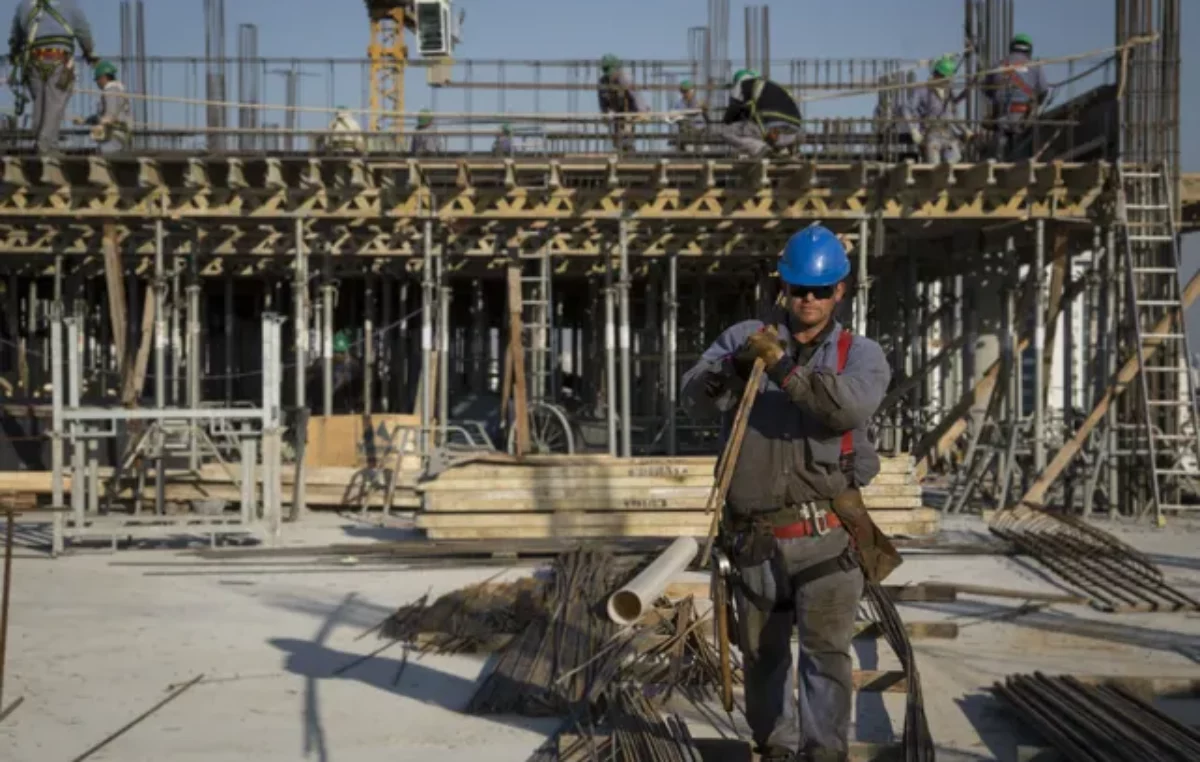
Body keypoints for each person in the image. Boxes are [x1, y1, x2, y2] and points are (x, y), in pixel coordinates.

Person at [681, 225, 892, 762]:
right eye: (800, 289)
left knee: (826, 656)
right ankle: (776, 749)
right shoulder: (743, 338)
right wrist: (733, 368)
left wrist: (782, 368)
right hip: (756, 538)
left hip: (826, 537)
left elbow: (842, 410)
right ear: (784, 287)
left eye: (821, 291)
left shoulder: (860, 355)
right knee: (762, 655)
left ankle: (822, 755)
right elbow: (694, 399)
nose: (810, 300)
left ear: (841, 290)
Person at [7, 0, 98, 154]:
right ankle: (46, 145)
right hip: (59, 60)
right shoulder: (69, 6)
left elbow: (16, 37)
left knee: (40, 102)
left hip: (33, 61)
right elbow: (83, 32)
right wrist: (89, 53)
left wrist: (14, 53)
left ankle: (40, 141)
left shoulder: (24, 7)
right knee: (55, 103)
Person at [983, 33, 1049, 160]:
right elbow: (1043, 90)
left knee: (999, 156)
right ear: (1029, 49)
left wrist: (997, 99)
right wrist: (1035, 106)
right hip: (1023, 117)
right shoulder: (1035, 66)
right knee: (1022, 155)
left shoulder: (998, 65)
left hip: (1001, 117)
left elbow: (986, 89)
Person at [718, 68, 804, 159]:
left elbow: (734, 109)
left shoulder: (742, 84)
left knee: (725, 131)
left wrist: (726, 121)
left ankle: (759, 148)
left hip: (769, 129)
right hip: (795, 131)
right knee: (759, 129)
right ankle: (786, 149)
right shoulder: (774, 87)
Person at [899, 56, 967, 164]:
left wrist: (965, 130)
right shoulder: (922, 90)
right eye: (947, 78)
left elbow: (953, 115)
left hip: (948, 135)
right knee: (934, 167)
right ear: (938, 75)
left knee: (954, 160)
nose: (949, 81)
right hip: (931, 135)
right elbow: (906, 108)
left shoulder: (948, 93)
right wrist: (914, 130)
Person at [72, 60, 130, 154]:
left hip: (115, 137)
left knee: (97, 153)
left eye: (97, 79)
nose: (97, 83)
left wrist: (102, 122)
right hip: (114, 135)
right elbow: (102, 116)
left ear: (103, 78)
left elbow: (110, 115)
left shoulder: (112, 90)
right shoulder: (114, 90)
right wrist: (85, 120)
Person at [597, 54, 644, 153]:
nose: (610, 74)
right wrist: (604, 114)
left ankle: (629, 150)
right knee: (617, 136)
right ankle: (619, 148)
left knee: (627, 133)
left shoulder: (624, 78)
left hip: (628, 111)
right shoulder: (602, 82)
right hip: (616, 113)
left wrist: (641, 111)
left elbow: (636, 94)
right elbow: (602, 101)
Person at [668, 79, 708, 150]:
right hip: (687, 132)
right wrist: (675, 115)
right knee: (689, 148)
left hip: (699, 130)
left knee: (705, 149)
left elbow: (705, 108)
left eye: (687, 91)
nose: (686, 93)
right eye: (684, 91)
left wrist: (703, 107)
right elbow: (673, 116)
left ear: (692, 91)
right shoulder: (679, 104)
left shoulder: (698, 101)